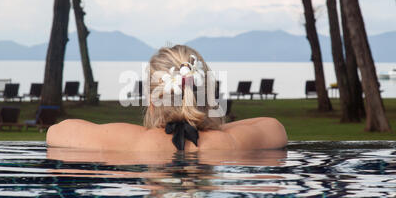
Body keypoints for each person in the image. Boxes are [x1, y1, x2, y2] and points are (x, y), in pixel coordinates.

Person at [47, 45, 287, 152]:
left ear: (152, 101)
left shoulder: (132, 142)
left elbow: (56, 132)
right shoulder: (229, 143)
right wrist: (207, 123)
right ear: (206, 98)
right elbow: (274, 127)